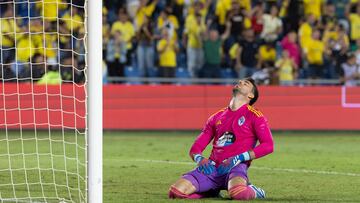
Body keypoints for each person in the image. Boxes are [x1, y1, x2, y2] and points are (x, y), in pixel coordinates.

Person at [168, 78, 274, 200]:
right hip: (212, 168)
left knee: (238, 194)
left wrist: (238, 158)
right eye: (239, 81)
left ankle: (256, 191)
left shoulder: (255, 115)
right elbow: (196, 148)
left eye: (246, 83)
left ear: (251, 95)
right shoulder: (216, 117)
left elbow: (268, 145)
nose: (240, 82)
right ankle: (211, 191)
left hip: (236, 166)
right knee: (175, 192)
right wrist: (200, 159)